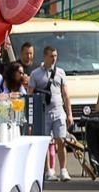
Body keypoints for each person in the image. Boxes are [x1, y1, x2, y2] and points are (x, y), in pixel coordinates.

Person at [29, 45, 74, 181]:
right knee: (45, 142)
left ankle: (64, 170)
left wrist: (69, 113)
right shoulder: (35, 74)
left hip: (58, 111)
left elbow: (65, 94)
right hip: (43, 112)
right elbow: (30, 94)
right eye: (51, 56)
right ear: (45, 56)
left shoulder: (60, 72)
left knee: (61, 140)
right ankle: (49, 170)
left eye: (55, 56)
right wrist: (31, 114)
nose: (54, 58)